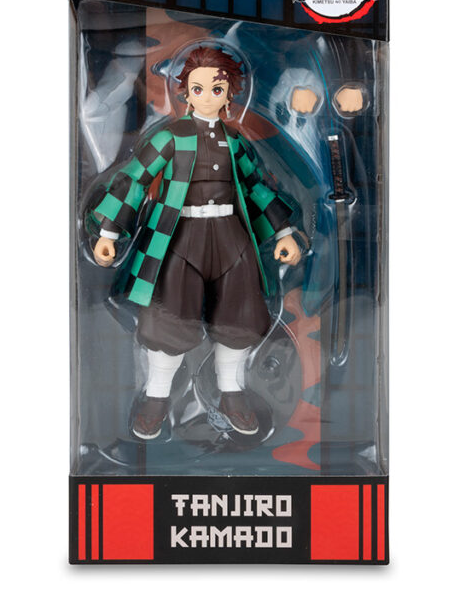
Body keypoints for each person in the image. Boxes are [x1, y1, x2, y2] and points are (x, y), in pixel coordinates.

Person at [91, 46, 302, 439]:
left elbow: (257, 187)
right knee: (169, 316)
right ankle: (156, 396)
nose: (207, 96)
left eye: (216, 89)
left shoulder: (234, 141)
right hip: (179, 238)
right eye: (198, 88)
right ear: (185, 92)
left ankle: (232, 392)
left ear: (229, 94)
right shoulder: (170, 137)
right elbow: (134, 179)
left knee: (239, 316)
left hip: (231, 238)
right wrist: (109, 231)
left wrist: (284, 231)